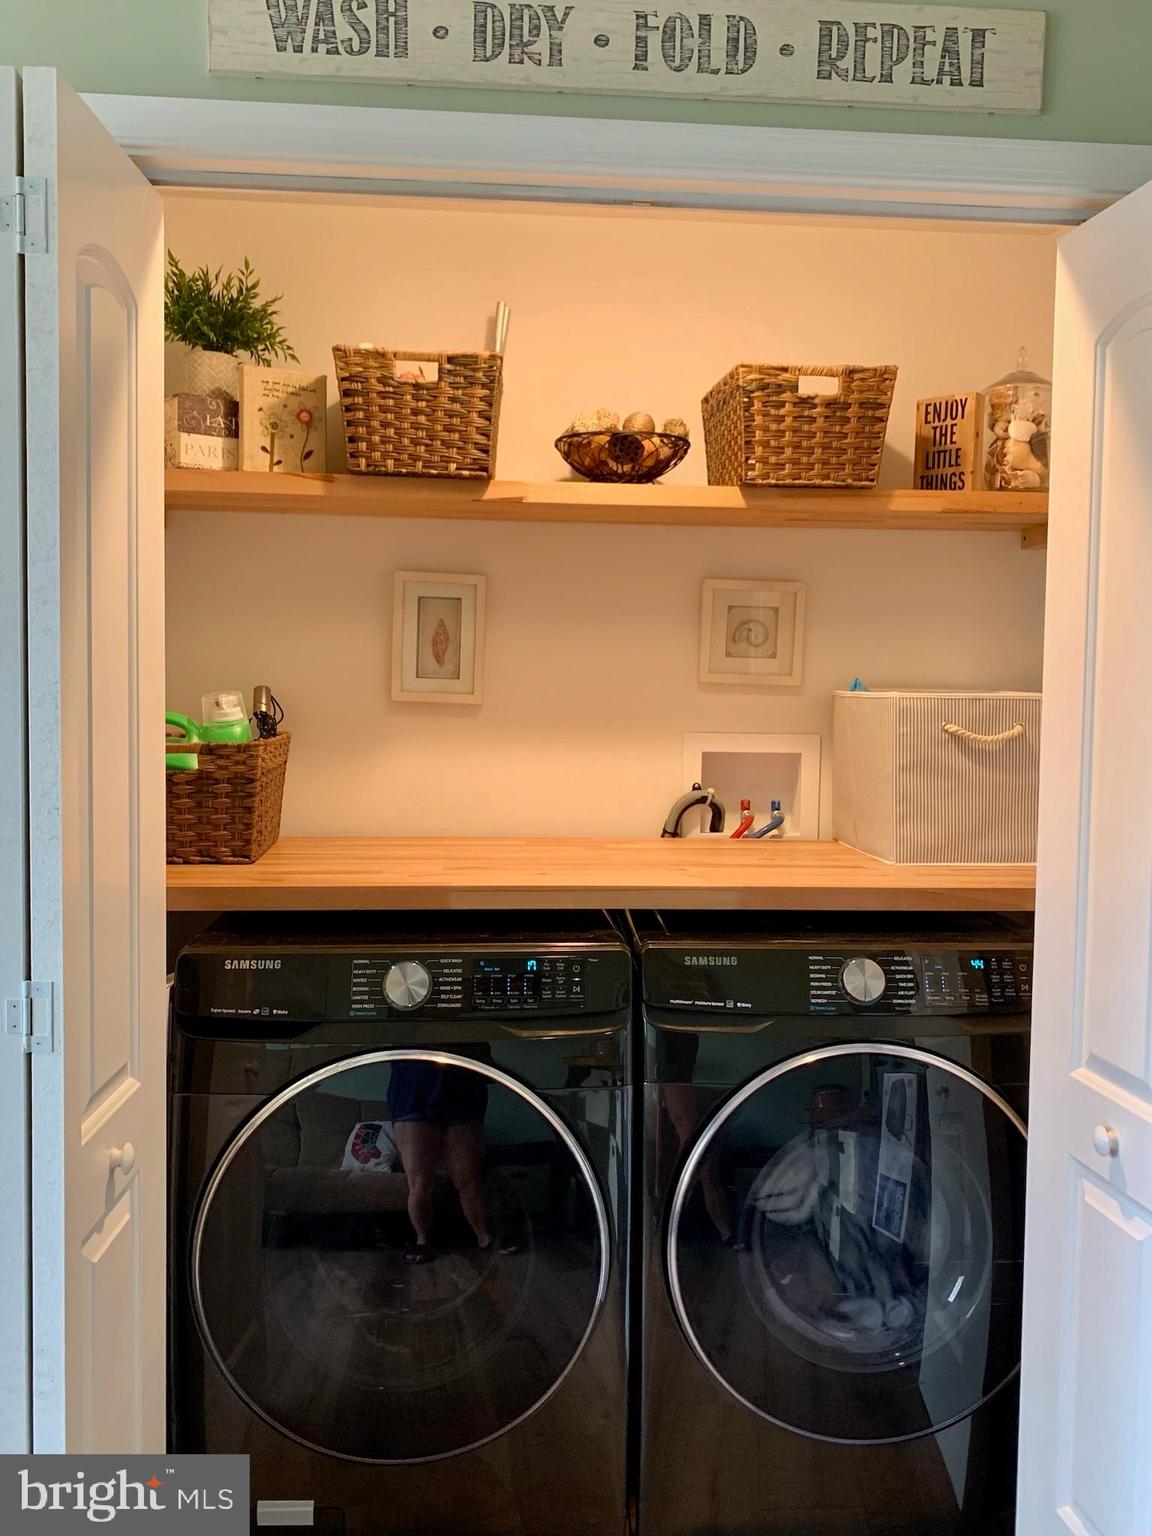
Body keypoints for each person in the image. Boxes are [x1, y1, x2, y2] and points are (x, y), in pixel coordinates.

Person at [386, 1060, 506, 1264]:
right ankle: (422, 1240)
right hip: (412, 1091)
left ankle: (484, 1237)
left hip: (462, 1089)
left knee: (469, 1179)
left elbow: (481, 1058)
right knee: (419, 1182)